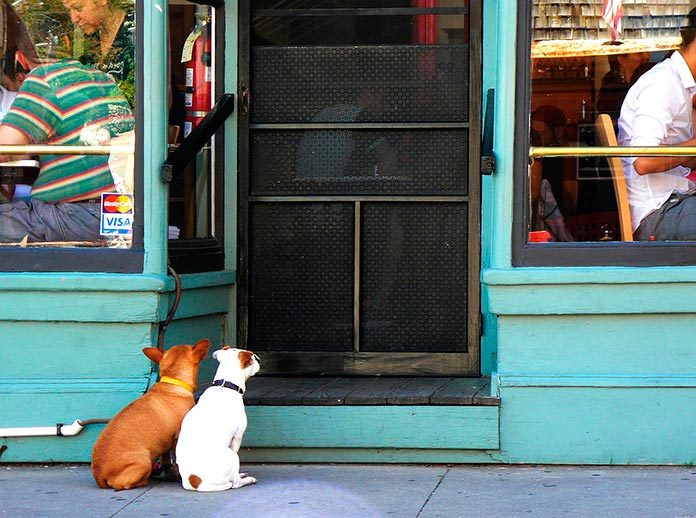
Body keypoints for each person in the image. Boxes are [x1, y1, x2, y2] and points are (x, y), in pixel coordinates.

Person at [0, 1, 134, 242]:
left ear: (20, 58)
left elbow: (6, 149)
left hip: (76, 216)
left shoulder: (44, 80)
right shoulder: (101, 78)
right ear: (69, 44)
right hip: (118, 212)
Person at [618, 7, 696, 241]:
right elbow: (644, 160)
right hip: (658, 214)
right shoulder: (663, 83)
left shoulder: (682, 85)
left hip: (678, 203)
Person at [62, 0, 135, 106]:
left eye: (78, 8)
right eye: (69, 10)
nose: (74, 19)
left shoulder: (137, 30)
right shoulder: (88, 38)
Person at [596, 52, 650, 123]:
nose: (647, 56)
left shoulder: (650, 82)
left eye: (648, 52)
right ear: (622, 60)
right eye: (639, 53)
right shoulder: (612, 93)